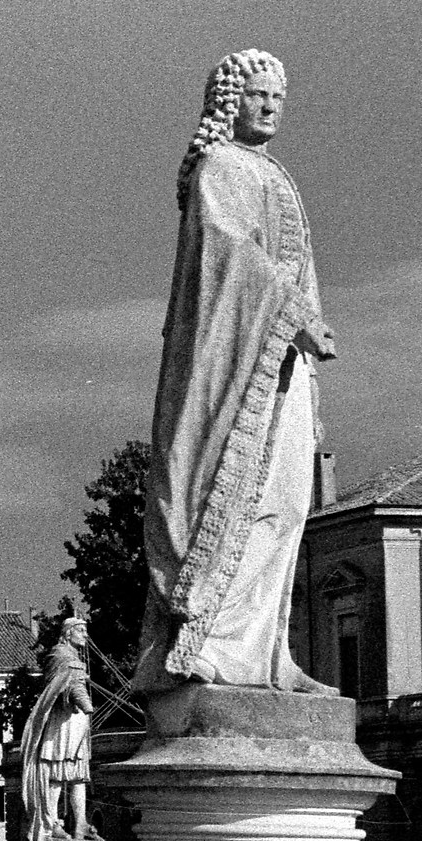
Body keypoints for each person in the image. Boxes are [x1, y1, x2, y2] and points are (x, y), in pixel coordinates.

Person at [139, 50, 337, 693]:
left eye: (278, 98)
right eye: (258, 96)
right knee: (244, 502)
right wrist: (293, 311)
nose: (271, 107)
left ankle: (268, 657)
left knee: (286, 504)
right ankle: (216, 647)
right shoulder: (220, 168)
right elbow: (229, 255)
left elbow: (293, 263)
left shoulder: (276, 173)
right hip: (239, 363)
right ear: (230, 102)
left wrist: (305, 324)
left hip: (284, 364)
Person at [23, 617, 100, 841]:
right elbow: (65, 685)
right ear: (68, 633)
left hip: (76, 723)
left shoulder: (72, 657)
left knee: (78, 776)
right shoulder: (60, 655)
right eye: (82, 630)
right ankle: (52, 822)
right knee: (56, 774)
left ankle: (80, 824)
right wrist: (86, 703)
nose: (85, 635)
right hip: (61, 724)